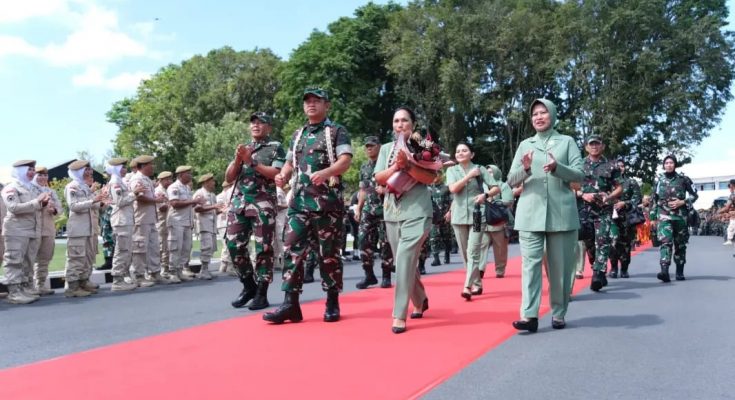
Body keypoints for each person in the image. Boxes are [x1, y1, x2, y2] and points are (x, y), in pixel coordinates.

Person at [267, 88, 352, 323]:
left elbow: (345, 161)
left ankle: (332, 301)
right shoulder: (298, 134)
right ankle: (290, 304)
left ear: (327, 105)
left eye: (317, 101)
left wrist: (327, 172)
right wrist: (282, 176)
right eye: (308, 101)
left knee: (329, 255)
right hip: (299, 204)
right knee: (292, 251)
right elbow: (289, 163)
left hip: (327, 205)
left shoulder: (336, 131)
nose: (311, 105)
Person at [507, 99, 584, 332]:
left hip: (561, 213)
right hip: (530, 214)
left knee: (560, 268)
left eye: (543, 113)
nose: (539, 117)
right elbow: (511, 180)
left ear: (552, 115)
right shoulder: (525, 144)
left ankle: (559, 312)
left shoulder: (567, 142)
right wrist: (527, 168)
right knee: (530, 266)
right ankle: (529, 315)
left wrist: (557, 167)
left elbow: (579, 175)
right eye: (535, 114)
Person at [373, 106, 436, 334]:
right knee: (404, 262)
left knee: (404, 259)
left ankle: (399, 314)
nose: (400, 124)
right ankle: (420, 298)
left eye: (405, 121)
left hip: (418, 211)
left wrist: (409, 165)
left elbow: (431, 178)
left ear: (413, 124)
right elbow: (379, 178)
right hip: (392, 212)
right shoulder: (387, 149)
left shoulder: (424, 148)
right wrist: (395, 167)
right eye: (396, 120)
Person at [225, 111, 286, 311]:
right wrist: (238, 160)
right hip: (240, 203)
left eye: (261, 122)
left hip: (262, 204)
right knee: (233, 244)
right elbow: (229, 178)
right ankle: (248, 285)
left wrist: (251, 161)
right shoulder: (244, 148)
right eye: (253, 122)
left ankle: (261, 292)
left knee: (264, 249)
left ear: (269, 127)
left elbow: (276, 174)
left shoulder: (275, 148)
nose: (256, 125)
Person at [446, 142, 499, 300]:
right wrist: (469, 176)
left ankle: (467, 286)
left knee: (473, 250)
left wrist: (486, 195)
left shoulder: (481, 169)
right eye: (458, 151)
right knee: (465, 254)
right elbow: (453, 189)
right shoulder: (451, 170)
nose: (460, 153)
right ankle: (477, 283)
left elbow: (496, 187)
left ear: (472, 154)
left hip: (477, 214)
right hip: (458, 216)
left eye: (464, 150)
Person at [577, 135, 622, 292]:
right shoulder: (578, 164)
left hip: (603, 209)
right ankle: (598, 267)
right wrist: (582, 194)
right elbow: (570, 185)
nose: (594, 146)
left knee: (602, 239)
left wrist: (609, 196)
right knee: (589, 242)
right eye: (591, 144)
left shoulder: (611, 166)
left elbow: (619, 187)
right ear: (586, 147)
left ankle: (597, 273)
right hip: (584, 209)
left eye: (597, 144)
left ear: (602, 146)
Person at [2, 160, 49, 304]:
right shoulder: (11, 188)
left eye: (33, 170)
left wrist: (43, 204)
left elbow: (35, 208)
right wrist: (37, 203)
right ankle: (14, 292)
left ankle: (24, 287)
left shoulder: (31, 188)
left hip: (31, 229)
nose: (32, 172)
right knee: (14, 261)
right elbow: (13, 207)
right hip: (16, 229)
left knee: (27, 261)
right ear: (20, 171)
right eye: (29, 170)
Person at [650, 155, 698, 281]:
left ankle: (679, 271)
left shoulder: (684, 179)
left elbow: (694, 195)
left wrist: (683, 202)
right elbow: (653, 199)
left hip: (680, 217)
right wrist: (652, 217)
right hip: (664, 215)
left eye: (671, 163)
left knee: (680, 244)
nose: (669, 165)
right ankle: (664, 270)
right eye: (666, 163)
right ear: (663, 165)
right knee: (665, 242)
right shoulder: (658, 180)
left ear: (675, 165)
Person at [355, 135, 394, 289]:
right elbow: (363, 189)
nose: (368, 148)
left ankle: (386, 275)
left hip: (386, 209)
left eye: (371, 145)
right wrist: (358, 207)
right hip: (368, 210)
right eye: (367, 146)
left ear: (380, 146)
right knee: (363, 241)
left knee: (386, 243)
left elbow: (399, 184)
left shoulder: (388, 165)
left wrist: (385, 190)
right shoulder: (364, 167)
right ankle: (369, 275)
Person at [64, 160, 107, 297]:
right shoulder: (73, 187)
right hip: (78, 229)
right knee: (76, 258)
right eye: (85, 170)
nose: (89, 172)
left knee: (88, 257)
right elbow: (74, 206)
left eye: (89, 170)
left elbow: (93, 206)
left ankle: (83, 281)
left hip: (90, 228)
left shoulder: (85, 187)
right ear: (78, 172)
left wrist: (101, 202)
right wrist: (94, 200)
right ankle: (72, 287)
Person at [129, 155, 167, 286]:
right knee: (140, 248)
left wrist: (156, 197)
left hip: (150, 218)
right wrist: (155, 200)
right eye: (151, 164)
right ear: (144, 166)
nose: (153, 167)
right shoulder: (137, 179)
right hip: (141, 218)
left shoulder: (146, 179)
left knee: (154, 246)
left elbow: (147, 196)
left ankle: (155, 273)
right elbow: (139, 197)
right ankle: (139, 276)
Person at [106, 158, 140, 292]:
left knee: (126, 250)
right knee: (121, 251)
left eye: (125, 167)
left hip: (126, 220)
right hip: (121, 221)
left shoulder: (119, 181)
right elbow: (119, 201)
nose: (125, 169)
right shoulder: (115, 182)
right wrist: (135, 194)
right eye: (122, 167)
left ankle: (122, 277)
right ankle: (117, 280)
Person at [31, 166, 62, 295]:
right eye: (40, 175)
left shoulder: (51, 191)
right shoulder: (30, 190)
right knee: (29, 259)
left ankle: (41, 285)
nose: (43, 177)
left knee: (44, 258)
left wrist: (54, 210)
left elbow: (60, 209)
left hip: (48, 228)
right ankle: (28, 287)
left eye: (45, 175)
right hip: (33, 228)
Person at [608, 158, 642, 278]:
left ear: (625, 168)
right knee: (613, 240)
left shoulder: (631, 182)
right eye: (617, 166)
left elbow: (637, 199)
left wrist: (625, 203)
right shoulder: (608, 182)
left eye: (621, 166)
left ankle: (624, 268)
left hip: (627, 217)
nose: (619, 168)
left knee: (626, 244)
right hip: (611, 217)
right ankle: (613, 267)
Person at [167, 166, 201, 283]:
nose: (190, 176)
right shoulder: (174, 187)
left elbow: (188, 204)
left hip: (187, 221)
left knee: (186, 248)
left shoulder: (187, 188)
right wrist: (193, 201)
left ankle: (180, 270)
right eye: (188, 173)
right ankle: (173, 272)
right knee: (176, 247)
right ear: (181, 175)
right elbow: (174, 203)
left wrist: (196, 203)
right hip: (177, 221)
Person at [481, 165, 513, 279]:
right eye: (487, 172)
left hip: (498, 220)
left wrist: (493, 201)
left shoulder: (503, 185)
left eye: (491, 172)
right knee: (479, 246)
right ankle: (479, 269)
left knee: (500, 247)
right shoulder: (481, 185)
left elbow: (509, 200)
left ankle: (500, 270)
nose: (489, 174)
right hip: (481, 220)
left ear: (496, 173)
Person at [193, 173, 223, 280]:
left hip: (212, 225)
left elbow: (213, 210)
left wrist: (220, 210)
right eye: (212, 181)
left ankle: (205, 269)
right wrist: (213, 206)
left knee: (212, 248)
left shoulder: (212, 195)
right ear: (206, 182)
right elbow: (197, 208)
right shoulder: (199, 193)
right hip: (204, 225)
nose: (214, 183)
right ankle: (203, 270)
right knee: (207, 247)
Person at [428, 173, 452, 267]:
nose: (434, 178)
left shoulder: (446, 188)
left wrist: (450, 212)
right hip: (434, 217)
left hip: (444, 216)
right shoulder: (429, 188)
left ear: (441, 176)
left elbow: (452, 201)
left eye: (436, 175)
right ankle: (436, 258)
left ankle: (447, 253)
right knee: (433, 237)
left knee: (446, 237)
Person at [155, 171, 173, 277]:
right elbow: (161, 208)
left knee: (169, 245)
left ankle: (166, 267)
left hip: (169, 221)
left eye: (170, 179)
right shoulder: (158, 191)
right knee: (162, 246)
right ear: (161, 180)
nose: (169, 181)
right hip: (161, 222)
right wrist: (171, 203)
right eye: (167, 179)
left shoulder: (168, 191)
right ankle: (162, 269)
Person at [216, 180, 236, 276]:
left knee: (227, 246)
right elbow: (219, 208)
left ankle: (224, 266)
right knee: (227, 245)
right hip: (223, 223)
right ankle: (228, 266)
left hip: (228, 222)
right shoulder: (220, 196)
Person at [718, 179, 735, 245]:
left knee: (731, 226)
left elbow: (727, 207)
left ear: (732, 185)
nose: (729, 188)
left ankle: (729, 240)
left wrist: (719, 211)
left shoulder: (733, 195)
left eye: (729, 186)